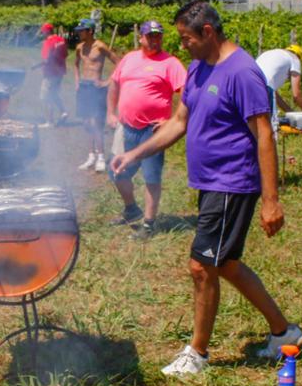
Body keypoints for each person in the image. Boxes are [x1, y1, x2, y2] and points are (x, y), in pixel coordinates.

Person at [111, 1, 302, 377]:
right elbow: (178, 121)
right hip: (211, 182)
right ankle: (286, 332)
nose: (181, 45)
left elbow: (264, 134)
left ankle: (197, 354)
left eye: (186, 38)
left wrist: (271, 201)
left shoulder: (242, 73)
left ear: (208, 33)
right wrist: (135, 153)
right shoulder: (200, 67)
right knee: (226, 264)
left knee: (202, 266)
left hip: (232, 183)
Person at [105, 20, 186, 238]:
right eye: (150, 36)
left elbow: (187, 92)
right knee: (115, 169)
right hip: (126, 126)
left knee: (151, 176)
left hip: (152, 131)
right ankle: (131, 209)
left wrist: (172, 121)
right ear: (141, 38)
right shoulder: (129, 59)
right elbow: (114, 84)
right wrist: (110, 113)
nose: (154, 39)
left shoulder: (171, 63)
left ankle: (149, 224)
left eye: (158, 35)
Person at [73, 18, 121, 172]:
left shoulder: (100, 46)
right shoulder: (79, 47)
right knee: (86, 123)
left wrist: (107, 81)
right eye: (79, 31)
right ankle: (90, 155)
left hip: (97, 88)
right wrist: (77, 80)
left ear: (90, 31)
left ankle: (101, 156)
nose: (79, 33)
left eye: (82, 30)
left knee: (96, 123)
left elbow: (118, 62)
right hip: (84, 88)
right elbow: (75, 64)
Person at [254, 44, 302, 129]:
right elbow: (296, 94)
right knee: (269, 127)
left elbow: (275, 96)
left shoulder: (272, 53)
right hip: (264, 87)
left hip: (248, 83)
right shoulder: (295, 58)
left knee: (252, 123)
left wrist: (290, 112)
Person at [31, 22, 68, 128]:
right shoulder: (61, 40)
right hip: (60, 72)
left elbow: (46, 60)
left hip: (50, 73)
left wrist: (35, 66)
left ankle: (49, 121)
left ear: (47, 31)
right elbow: (65, 55)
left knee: (46, 97)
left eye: (43, 31)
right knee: (54, 93)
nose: (42, 34)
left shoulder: (48, 42)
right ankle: (63, 112)